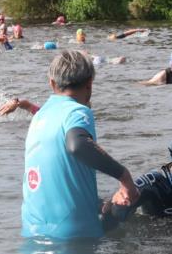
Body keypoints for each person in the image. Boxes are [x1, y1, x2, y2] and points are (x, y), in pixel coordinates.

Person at [21, 50, 139, 239]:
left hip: (32, 230)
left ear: (52, 84)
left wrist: (101, 203)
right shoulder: (77, 111)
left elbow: (60, 178)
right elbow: (77, 145)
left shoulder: (39, 116)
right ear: (90, 84)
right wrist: (124, 177)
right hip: (73, 236)